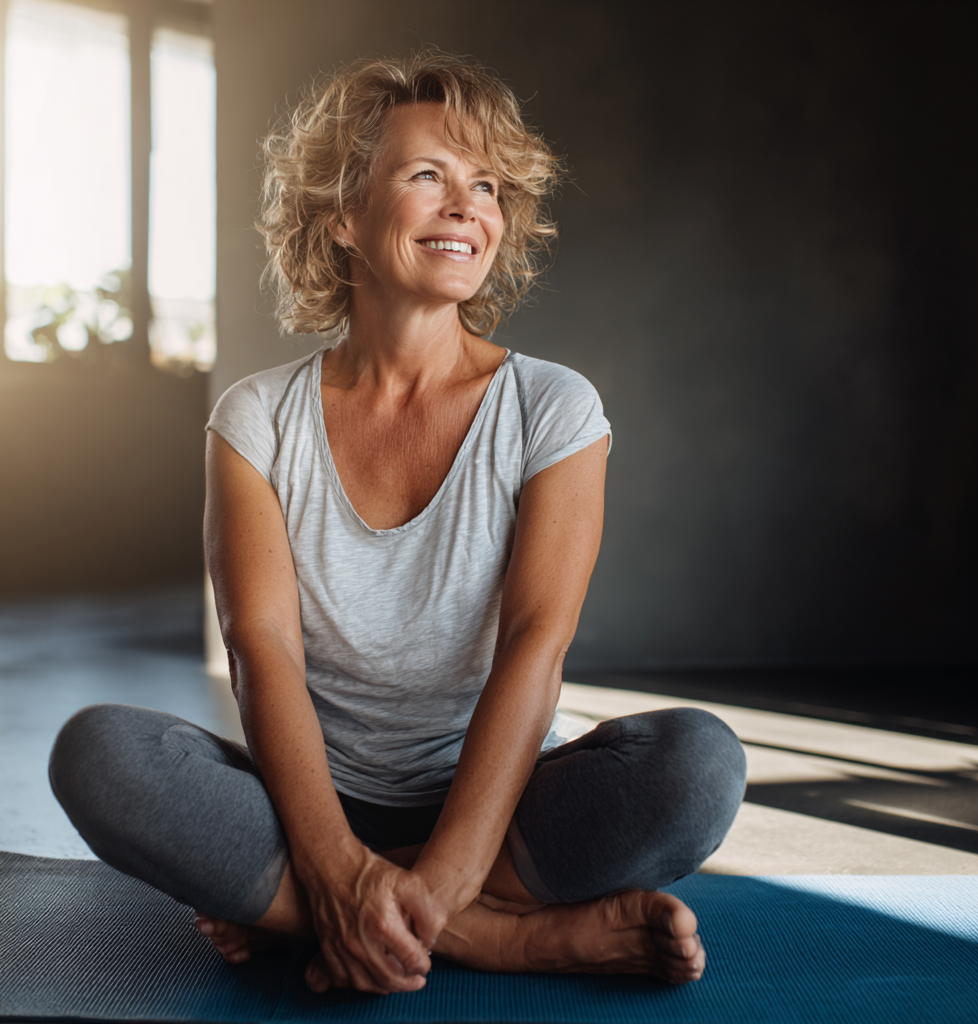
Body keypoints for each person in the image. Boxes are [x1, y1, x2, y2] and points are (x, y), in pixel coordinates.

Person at [49, 50, 746, 994]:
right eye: (428, 176)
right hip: (310, 808)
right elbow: (263, 651)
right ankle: (506, 939)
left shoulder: (554, 408)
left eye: (488, 186)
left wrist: (444, 870)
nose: (468, 207)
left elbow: (536, 646)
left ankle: (331, 916)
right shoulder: (256, 419)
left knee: (699, 765)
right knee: (99, 754)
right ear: (343, 215)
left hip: (499, 809)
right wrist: (335, 864)